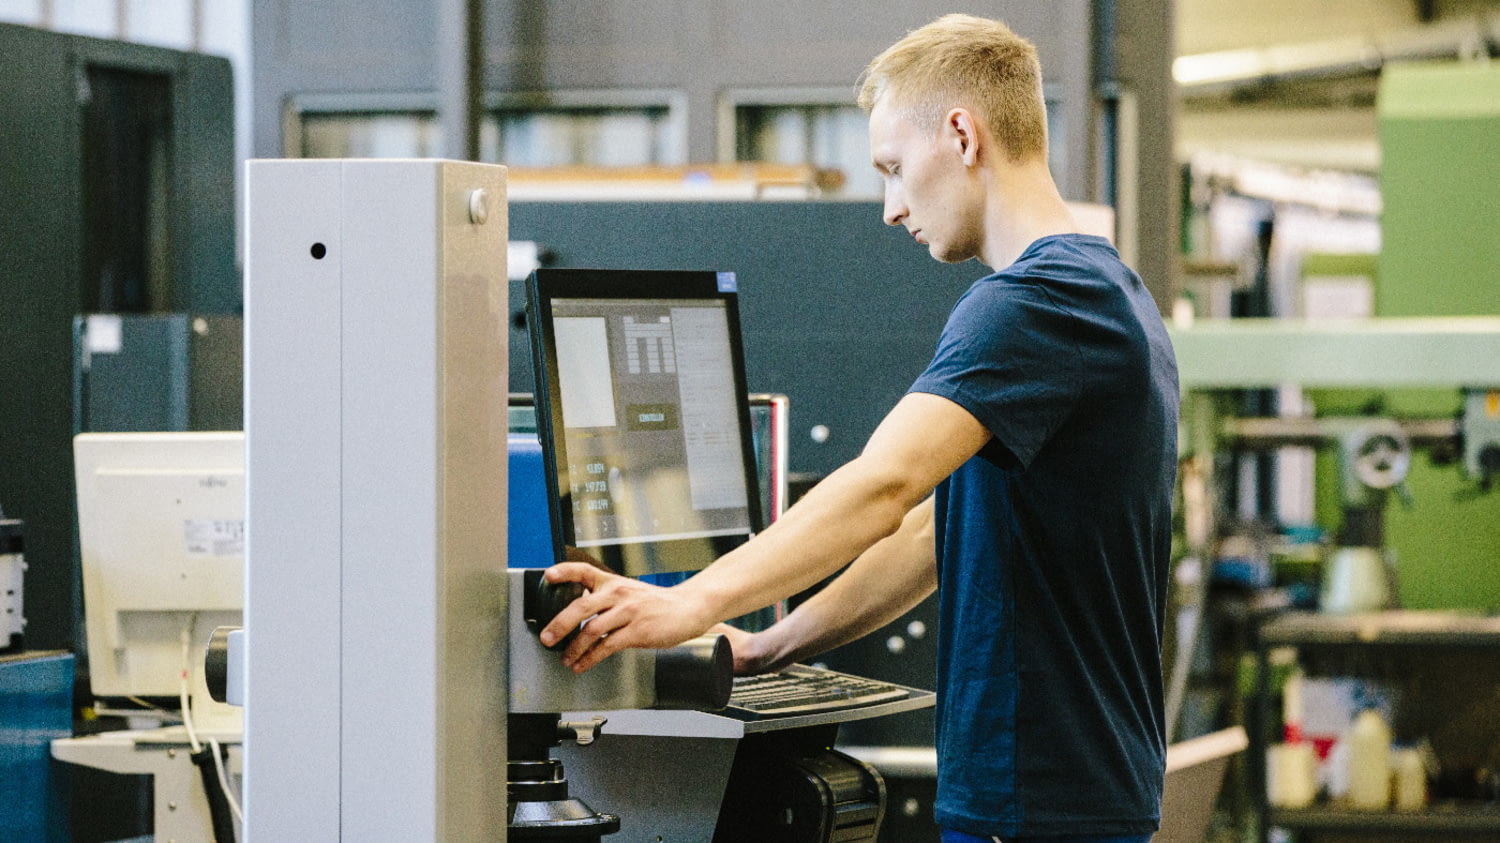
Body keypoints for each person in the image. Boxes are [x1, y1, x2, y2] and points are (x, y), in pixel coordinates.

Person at [540, 13, 1179, 843]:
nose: (889, 207)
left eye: (893, 169)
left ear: (960, 133)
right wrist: (774, 644)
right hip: (1075, 788)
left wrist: (688, 604)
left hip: (1037, 803)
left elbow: (884, 484)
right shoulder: (1107, 289)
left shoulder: (1034, 302)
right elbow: (929, 533)